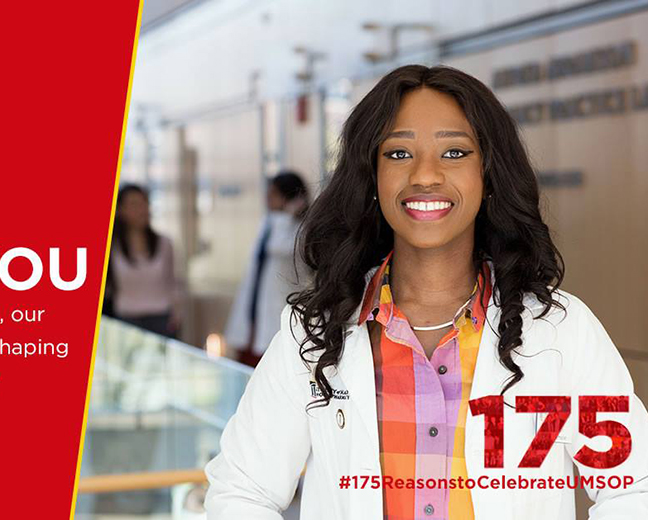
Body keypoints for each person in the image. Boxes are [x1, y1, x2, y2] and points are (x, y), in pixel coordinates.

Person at [204, 65, 648, 519]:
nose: (425, 176)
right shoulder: (315, 334)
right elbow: (241, 492)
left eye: (454, 152)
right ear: (371, 175)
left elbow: (635, 489)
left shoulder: (558, 330)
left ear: (488, 175)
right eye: (398, 154)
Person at [225, 171, 310, 367]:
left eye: (273, 194)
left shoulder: (302, 228)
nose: (267, 199)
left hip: (281, 310)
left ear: (289, 197)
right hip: (256, 308)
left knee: (273, 362)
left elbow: (279, 247)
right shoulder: (269, 223)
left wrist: (289, 215)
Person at [104, 184, 183, 338]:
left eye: (144, 203)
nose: (141, 209)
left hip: (162, 320)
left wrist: (178, 313)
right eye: (134, 204)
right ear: (120, 210)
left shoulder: (164, 243)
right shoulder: (112, 246)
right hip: (126, 320)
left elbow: (175, 282)